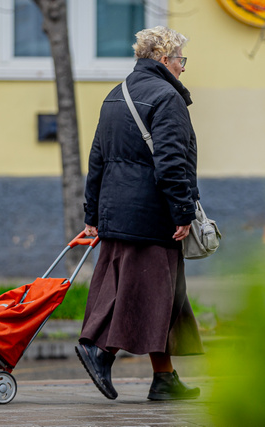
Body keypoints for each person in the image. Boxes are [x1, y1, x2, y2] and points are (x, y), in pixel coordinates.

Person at [75, 26, 204, 401]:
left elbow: (97, 158)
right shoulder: (167, 98)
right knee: (144, 296)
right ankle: (101, 351)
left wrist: (93, 213)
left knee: (161, 295)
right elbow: (171, 162)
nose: (183, 67)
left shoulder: (116, 95)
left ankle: (164, 379)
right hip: (151, 216)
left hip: (118, 214)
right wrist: (182, 211)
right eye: (181, 60)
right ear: (164, 59)